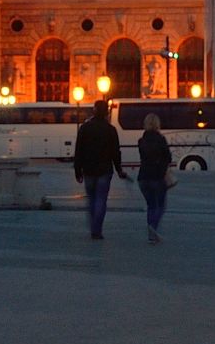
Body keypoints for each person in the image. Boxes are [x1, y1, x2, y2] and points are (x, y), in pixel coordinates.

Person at [72, 99, 128, 239]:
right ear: (106, 113)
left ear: (94, 110)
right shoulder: (111, 130)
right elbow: (116, 152)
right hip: (104, 170)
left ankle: (93, 227)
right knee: (101, 200)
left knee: (91, 199)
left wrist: (77, 171)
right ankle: (97, 229)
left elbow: (79, 150)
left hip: (89, 169)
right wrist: (119, 169)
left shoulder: (85, 128)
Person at [136, 113, 172, 244]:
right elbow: (168, 157)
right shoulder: (161, 139)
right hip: (157, 176)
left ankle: (152, 233)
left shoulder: (141, 141)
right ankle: (153, 227)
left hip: (143, 177)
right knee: (161, 205)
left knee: (151, 205)